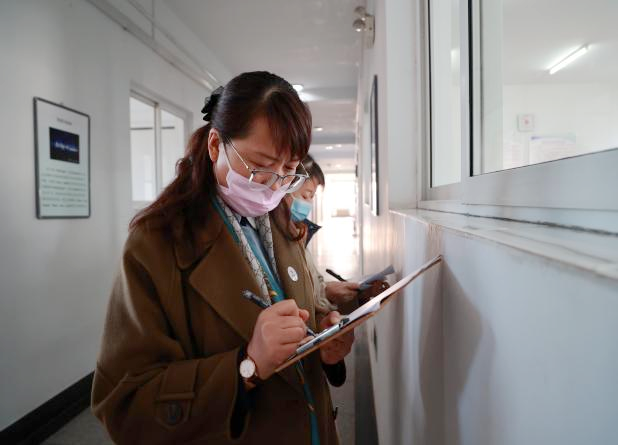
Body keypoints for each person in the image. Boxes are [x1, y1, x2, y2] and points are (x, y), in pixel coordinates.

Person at [91, 72, 353, 445]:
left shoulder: (282, 221)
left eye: (288, 171)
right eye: (260, 167)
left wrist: (327, 343)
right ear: (216, 145)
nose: (274, 186)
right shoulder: (157, 244)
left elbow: (306, 315)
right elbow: (125, 407)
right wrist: (247, 365)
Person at [286, 156, 389, 316]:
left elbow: (313, 287)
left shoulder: (299, 234)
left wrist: (331, 291)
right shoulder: (277, 241)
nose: (309, 203)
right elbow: (304, 305)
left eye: (312, 197)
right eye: (305, 195)